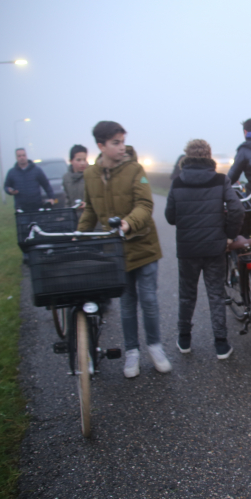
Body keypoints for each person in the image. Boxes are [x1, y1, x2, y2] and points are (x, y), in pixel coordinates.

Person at [77, 121, 171, 378]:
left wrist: (129, 223)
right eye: (115, 143)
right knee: (127, 303)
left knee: (149, 300)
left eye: (122, 141)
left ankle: (155, 346)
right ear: (101, 146)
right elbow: (90, 210)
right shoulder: (90, 175)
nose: (122, 147)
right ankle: (132, 352)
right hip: (116, 252)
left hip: (143, 245)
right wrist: (78, 236)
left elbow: (145, 204)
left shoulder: (135, 169)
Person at [164, 139, 244, 359]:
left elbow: (170, 217)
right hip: (214, 248)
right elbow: (237, 209)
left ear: (187, 156)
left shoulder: (178, 182)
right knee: (216, 295)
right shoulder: (220, 180)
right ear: (209, 156)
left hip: (188, 250)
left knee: (187, 296)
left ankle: (184, 340)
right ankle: (221, 345)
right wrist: (228, 235)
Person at [4, 148, 56, 212]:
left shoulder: (37, 170)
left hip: (37, 207)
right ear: (16, 157)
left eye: (23, 155)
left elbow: (46, 185)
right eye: (19, 156)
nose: (22, 157)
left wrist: (51, 198)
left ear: (26, 156)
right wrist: (9, 191)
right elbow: (6, 186)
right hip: (21, 208)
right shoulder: (11, 172)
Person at [63, 144, 88, 209]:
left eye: (84, 160)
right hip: (74, 215)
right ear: (71, 161)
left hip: (89, 214)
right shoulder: (66, 178)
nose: (82, 163)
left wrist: (88, 205)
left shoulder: (91, 175)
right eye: (78, 160)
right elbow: (67, 200)